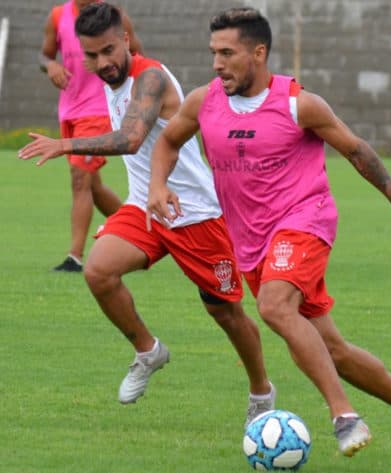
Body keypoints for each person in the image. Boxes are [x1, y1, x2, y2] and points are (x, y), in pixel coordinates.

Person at [147, 7, 391, 463]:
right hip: (252, 241)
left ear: (259, 52)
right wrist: (157, 185)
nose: (217, 64)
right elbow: (168, 141)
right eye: (213, 53)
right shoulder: (203, 102)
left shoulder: (298, 103)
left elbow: (356, 150)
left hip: (306, 220)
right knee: (335, 350)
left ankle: (344, 416)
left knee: (273, 306)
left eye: (227, 53)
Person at [21, 3, 274, 425]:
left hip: (196, 213)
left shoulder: (150, 77)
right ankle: (147, 350)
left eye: (108, 51)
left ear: (125, 39)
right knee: (98, 271)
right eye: (92, 56)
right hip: (146, 207)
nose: (102, 64)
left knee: (225, 313)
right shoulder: (111, 77)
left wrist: (64, 145)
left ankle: (261, 391)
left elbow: (131, 138)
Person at [40, 0, 141, 272]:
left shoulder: (115, 17)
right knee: (92, 187)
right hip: (70, 110)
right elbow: (45, 55)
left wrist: (127, 99)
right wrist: (50, 66)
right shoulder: (58, 16)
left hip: (99, 111)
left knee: (79, 179)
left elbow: (137, 57)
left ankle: (75, 256)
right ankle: (143, 233)